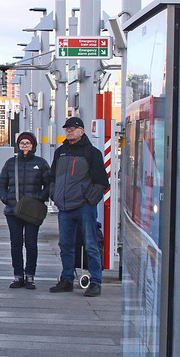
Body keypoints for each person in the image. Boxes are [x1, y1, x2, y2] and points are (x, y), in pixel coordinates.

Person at [49, 116, 109, 296]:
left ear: (82, 132)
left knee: (90, 244)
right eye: (67, 128)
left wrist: (89, 201)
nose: (69, 131)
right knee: (65, 244)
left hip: (84, 207)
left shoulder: (92, 153)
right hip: (64, 208)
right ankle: (67, 278)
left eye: (73, 128)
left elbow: (101, 182)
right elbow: (52, 178)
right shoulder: (60, 152)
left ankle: (95, 281)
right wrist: (55, 195)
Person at [0, 131, 51, 289]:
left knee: (31, 244)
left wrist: (39, 198)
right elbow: (1, 184)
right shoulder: (10, 163)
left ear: (33, 145)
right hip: (13, 211)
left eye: (28, 143)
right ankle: (18, 275)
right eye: (22, 143)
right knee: (16, 243)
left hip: (32, 211)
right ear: (18, 145)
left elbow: (49, 184)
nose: (25, 146)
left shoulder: (41, 164)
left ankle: (30, 276)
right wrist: (6, 199)